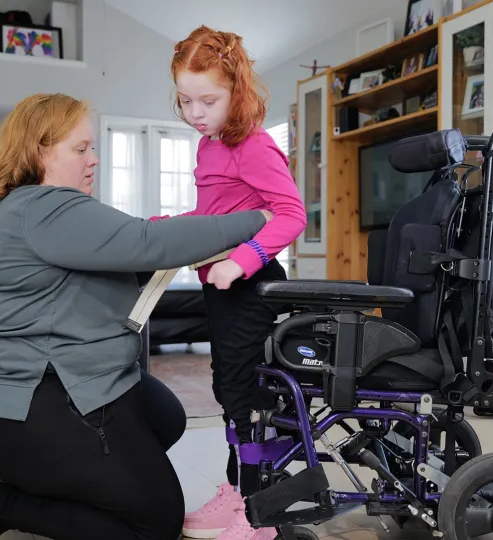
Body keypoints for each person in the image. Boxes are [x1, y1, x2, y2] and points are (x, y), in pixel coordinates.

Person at [0, 93, 274, 540]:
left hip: (50, 384)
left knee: (163, 415)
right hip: (20, 401)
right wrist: (264, 217)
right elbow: (146, 242)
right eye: (80, 149)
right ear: (39, 150)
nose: (93, 160)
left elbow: (137, 247)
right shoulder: (44, 206)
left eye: (92, 148)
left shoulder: (39, 210)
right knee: (154, 524)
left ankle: (65, 481)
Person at [154, 25, 307, 540]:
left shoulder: (254, 146)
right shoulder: (209, 148)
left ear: (236, 93)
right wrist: (174, 228)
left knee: (248, 395)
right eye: (185, 100)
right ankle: (237, 489)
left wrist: (242, 260)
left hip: (252, 284)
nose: (195, 112)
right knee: (228, 387)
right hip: (221, 288)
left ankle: (260, 510)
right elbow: (215, 215)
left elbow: (290, 214)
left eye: (208, 100)